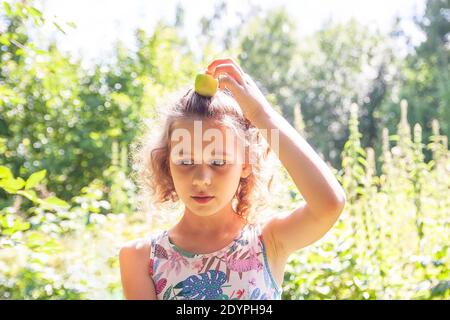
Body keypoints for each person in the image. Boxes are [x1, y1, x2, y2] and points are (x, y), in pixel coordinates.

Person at [119, 58, 346, 300]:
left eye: (218, 162)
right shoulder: (142, 259)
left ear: (245, 164)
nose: (201, 179)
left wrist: (261, 114)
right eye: (185, 162)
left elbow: (329, 204)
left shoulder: (268, 241)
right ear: (167, 165)